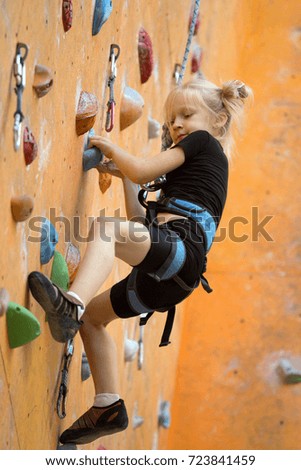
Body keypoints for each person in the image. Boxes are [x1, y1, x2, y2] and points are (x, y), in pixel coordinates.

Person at [28, 78, 251, 445]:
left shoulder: (204, 143)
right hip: (171, 278)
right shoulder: (194, 177)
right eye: (170, 119)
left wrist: (113, 150)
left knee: (106, 230)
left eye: (186, 115)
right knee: (95, 320)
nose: (176, 124)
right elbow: (138, 222)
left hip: (181, 251)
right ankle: (108, 405)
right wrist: (124, 179)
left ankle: (70, 305)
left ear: (218, 121)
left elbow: (143, 170)